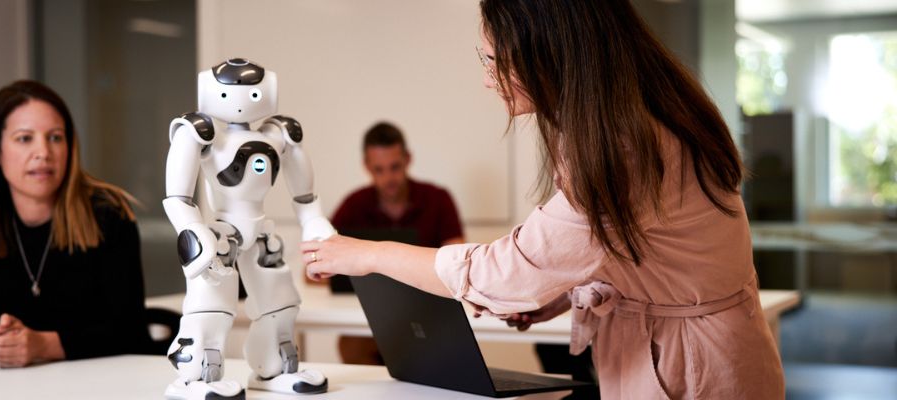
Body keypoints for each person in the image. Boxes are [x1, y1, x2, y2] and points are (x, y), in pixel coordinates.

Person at [302, 0, 786, 398]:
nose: (487, 77)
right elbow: (636, 249)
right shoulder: (633, 117)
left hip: (697, 371)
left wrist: (366, 253)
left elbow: (506, 270)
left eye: (494, 60)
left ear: (548, 55)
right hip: (685, 352)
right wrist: (556, 295)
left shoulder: (621, 144)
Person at [0, 80, 152, 368]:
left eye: (56, 138)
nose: (43, 152)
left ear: (70, 148)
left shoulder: (108, 213)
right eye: (24, 138)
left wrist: (43, 345)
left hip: (107, 376)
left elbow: (129, 330)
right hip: (23, 382)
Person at [332, 121, 465, 365]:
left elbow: (459, 263)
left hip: (429, 313)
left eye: (395, 167)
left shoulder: (438, 199)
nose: (388, 178)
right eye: (378, 170)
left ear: (408, 159)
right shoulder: (353, 205)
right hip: (371, 316)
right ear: (367, 167)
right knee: (351, 345)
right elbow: (319, 264)